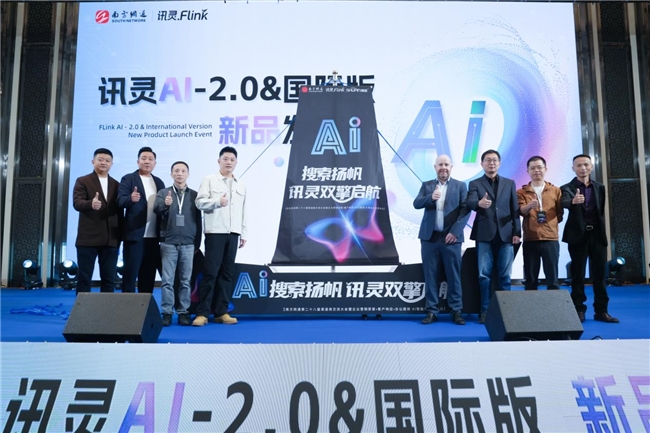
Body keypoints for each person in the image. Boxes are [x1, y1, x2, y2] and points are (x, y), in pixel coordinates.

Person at [192, 146, 247, 326]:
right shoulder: (209, 179)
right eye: (225, 159)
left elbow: (243, 210)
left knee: (227, 274)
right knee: (211, 273)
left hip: (233, 233)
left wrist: (243, 232)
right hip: (215, 232)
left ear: (236, 162)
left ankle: (221, 312)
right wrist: (217, 202)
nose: (228, 162)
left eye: (232, 159)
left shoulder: (240, 184)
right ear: (219, 161)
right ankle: (202, 313)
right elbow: (199, 202)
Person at [560, 154, 619, 323]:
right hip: (577, 236)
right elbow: (564, 202)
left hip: (597, 236)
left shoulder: (599, 187)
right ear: (573, 168)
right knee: (577, 275)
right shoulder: (567, 187)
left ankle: (601, 311)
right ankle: (578, 309)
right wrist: (573, 201)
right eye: (579, 165)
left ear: (591, 167)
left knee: (600, 275)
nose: (583, 168)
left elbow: (600, 211)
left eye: (586, 164)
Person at [414, 155, 470, 325]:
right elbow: (417, 203)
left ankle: (456, 311)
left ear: (451, 167)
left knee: (454, 275)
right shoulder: (427, 185)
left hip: (451, 239)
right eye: (440, 165)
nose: (443, 167)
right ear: (435, 167)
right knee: (430, 275)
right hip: (430, 238)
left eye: (446, 164)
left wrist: (455, 232)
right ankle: (432, 311)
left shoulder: (460, 186)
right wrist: (431, 197)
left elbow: (465, 211)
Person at [467, 149, 521, 323]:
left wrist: (517, 232)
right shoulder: (475, 183)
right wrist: (479, 203)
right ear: (482, 164)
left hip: (506, 234)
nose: (491, 163)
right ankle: (485, 311)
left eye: (494, 160)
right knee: (484, 276)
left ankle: (506, 312)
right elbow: (469, 203)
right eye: (488, 160)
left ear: (499, 163)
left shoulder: (509, 183)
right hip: (484, 234)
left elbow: (515, 210)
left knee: (505, 276)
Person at [153, 161, 202, 326]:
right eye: (176, 171)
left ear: (188, 174)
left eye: (183, 171)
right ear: (171, 174)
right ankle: (167, 312)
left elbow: (198, 221)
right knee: (167, 281)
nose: (179, 173)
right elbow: (157, 210)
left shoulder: (195, 195)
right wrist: (165, 205)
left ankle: (183, 312)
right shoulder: (163, 193)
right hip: (169, 243)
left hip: (188, 244)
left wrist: (197, 244)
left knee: (185, 281)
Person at [72, 148, 123, 295]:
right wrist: (90, 204)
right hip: (88, 239)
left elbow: (120, 212)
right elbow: (77, 203)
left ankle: (106, 308)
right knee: (84, 277)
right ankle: (82, 308)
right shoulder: (83, 181)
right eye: (100, 160)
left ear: (112, 164)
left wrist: (120, 236)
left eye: (107, 161)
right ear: (93, 161)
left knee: (109, 279)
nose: (103, 163)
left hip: (110, 240)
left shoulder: (116, 184)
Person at [117, 146, 165, 293]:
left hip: (153, 237)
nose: (147, 161)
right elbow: (120, 201)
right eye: (144, 158)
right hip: (134, 235)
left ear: (155, 163)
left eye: (150, 159)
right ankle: (127, 306)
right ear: (138, 161)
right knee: (130, 275)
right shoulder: (128, 179)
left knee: (148, 276)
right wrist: (130, 199)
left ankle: (146, 305)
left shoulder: (159, 182)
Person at [517, 156, 564, 291]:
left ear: (545, 169)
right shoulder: (521, 192)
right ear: (528, 171)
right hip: (530, 238)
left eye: (539, 167)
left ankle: (553, 303)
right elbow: (520, 211)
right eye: (532, 168)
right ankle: (531, 304)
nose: (536, 170)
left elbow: (559, 213)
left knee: (552, 277)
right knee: (531, 278)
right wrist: (529, 206)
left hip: (550, 238)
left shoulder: (555, 190)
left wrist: (551, 225)